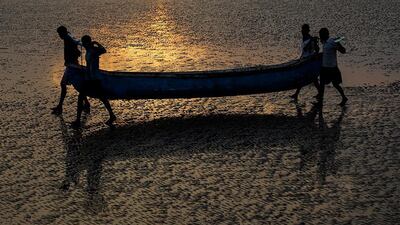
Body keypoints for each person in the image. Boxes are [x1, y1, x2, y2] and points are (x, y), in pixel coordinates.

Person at [71, 35, 116, 128]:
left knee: (101, 97)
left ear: (88, 42)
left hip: (95, 79)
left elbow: (104, 50)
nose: (83, 44)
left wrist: (96, 43)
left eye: (84, 43)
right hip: (89, 78)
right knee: (89, 97)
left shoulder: (94, 50)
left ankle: (78, 121)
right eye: (82, 43)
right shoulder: (88, 50)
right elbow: (78, 42)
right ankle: (111, 115)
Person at [52, 26, 90, 115]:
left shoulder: (67, 39)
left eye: (59, 34)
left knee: (64, 84)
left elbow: (75, 46)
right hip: (72, 65)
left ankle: (60, 107)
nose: (59, 36)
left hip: (71, 66)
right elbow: (76, 46)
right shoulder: (68, 37)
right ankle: (86, 103)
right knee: (77, 85)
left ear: (62, 33)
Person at [317, 28, 348, 106]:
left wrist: (339, 44)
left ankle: (344, 97)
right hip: (324, 68)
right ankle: (320, 101)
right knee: (322, 85)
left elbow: (343, 51)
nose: (320, 36)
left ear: (325, 35)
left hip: (332, 68)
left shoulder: (332, 41)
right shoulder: (324, 42)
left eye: (321, 35)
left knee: (335, 84)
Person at [290, 24, 320, 100]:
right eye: (302, 30)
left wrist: (314, 54)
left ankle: (296, 94)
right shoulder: (306, 38)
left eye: (303, 30)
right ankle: (296, 94)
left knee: (306, 78)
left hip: (308, 62)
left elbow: (316, 49)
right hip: (305, 61)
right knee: (313, 79)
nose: (301, 31)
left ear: (306, 31)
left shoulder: (310, 39)